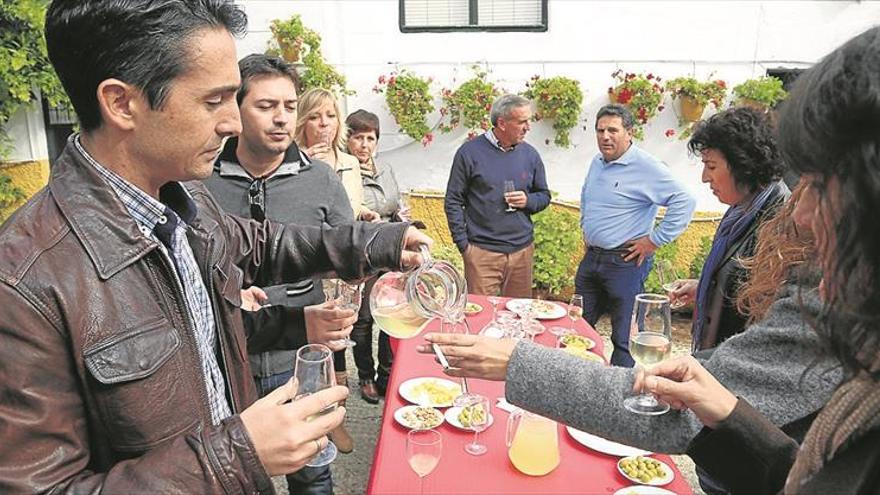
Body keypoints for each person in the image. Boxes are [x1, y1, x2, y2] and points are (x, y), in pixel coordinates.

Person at [0, 1, 431, 492]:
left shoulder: (186, 199)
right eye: (214, 102)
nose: (232, 122)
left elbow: (267, 244)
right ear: (121, 103)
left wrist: (382, 241)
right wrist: (236, 456)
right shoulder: (25, 281)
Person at [416, 185, 842, 485]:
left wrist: (516, 362)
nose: (799, 213)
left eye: (820, 186)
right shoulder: (833, 276)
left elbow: (680, 415)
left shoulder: (842, 305)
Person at [635, 26, 880, 494]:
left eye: (822, 186)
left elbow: (762, 316)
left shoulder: (777, 221)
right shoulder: (739, 213)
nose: (805, 214)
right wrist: (700, 290)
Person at [202, 53, 357, 492]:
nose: (282, 118)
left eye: (289, 106)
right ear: (236, 107)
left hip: (299, 356)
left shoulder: (322, 180)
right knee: (236, 474)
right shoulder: (200, 179)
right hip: (227, 354)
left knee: (311, 472)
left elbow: (344, 253)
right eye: (266, 106)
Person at [577, 104, 696, 366]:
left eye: (612, 130)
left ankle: (620, 397)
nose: (605, 136)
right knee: (577, 326)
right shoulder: (597, 162)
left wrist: (654, 241)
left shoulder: (646, 166)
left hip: (625, 262)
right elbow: (587, 196)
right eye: (600, 130)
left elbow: (685, 201)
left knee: (625, 337)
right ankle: (578, 385)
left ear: (629, 132)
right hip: (592, 258)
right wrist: (586, 227)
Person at [667, 107, 789, 352]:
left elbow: (765, 317)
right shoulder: (742, 209)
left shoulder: (778, 222)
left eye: (711, 166)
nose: (704, 177)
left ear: (743, 165)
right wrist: (705, 287)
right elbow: (739, 284)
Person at [444, 94, 551, 298]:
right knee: (480, 318)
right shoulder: (469, 153)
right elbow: (453, 201)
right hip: (482, 253)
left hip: (522, 252)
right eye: (522, 122)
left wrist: (528, 201)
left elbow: (544, 195)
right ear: (501, 123)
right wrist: (464, 247)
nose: (528, 127)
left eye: (528, 121)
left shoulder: (530, 155)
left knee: (519, 316)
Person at [345, 109, 405, 403]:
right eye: (358, 137)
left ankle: (386, 373)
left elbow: (396, 202)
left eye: (370, 138)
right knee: (364, 318)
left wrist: (402, 218)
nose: (364, 145)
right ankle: (365, 376)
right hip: (364, 252)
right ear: (348, 140)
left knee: (390, 315)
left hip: (390, 250)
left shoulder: (387, 169)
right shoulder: (343, 172)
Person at [295, 88, 379, 223]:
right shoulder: (290, 163)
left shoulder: (351, 163)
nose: (324, 123)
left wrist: (366, 213)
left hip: (345, 240)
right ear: (302, 123)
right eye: (314, 117)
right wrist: (303, 165)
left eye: (331, 116)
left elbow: (354, 204)